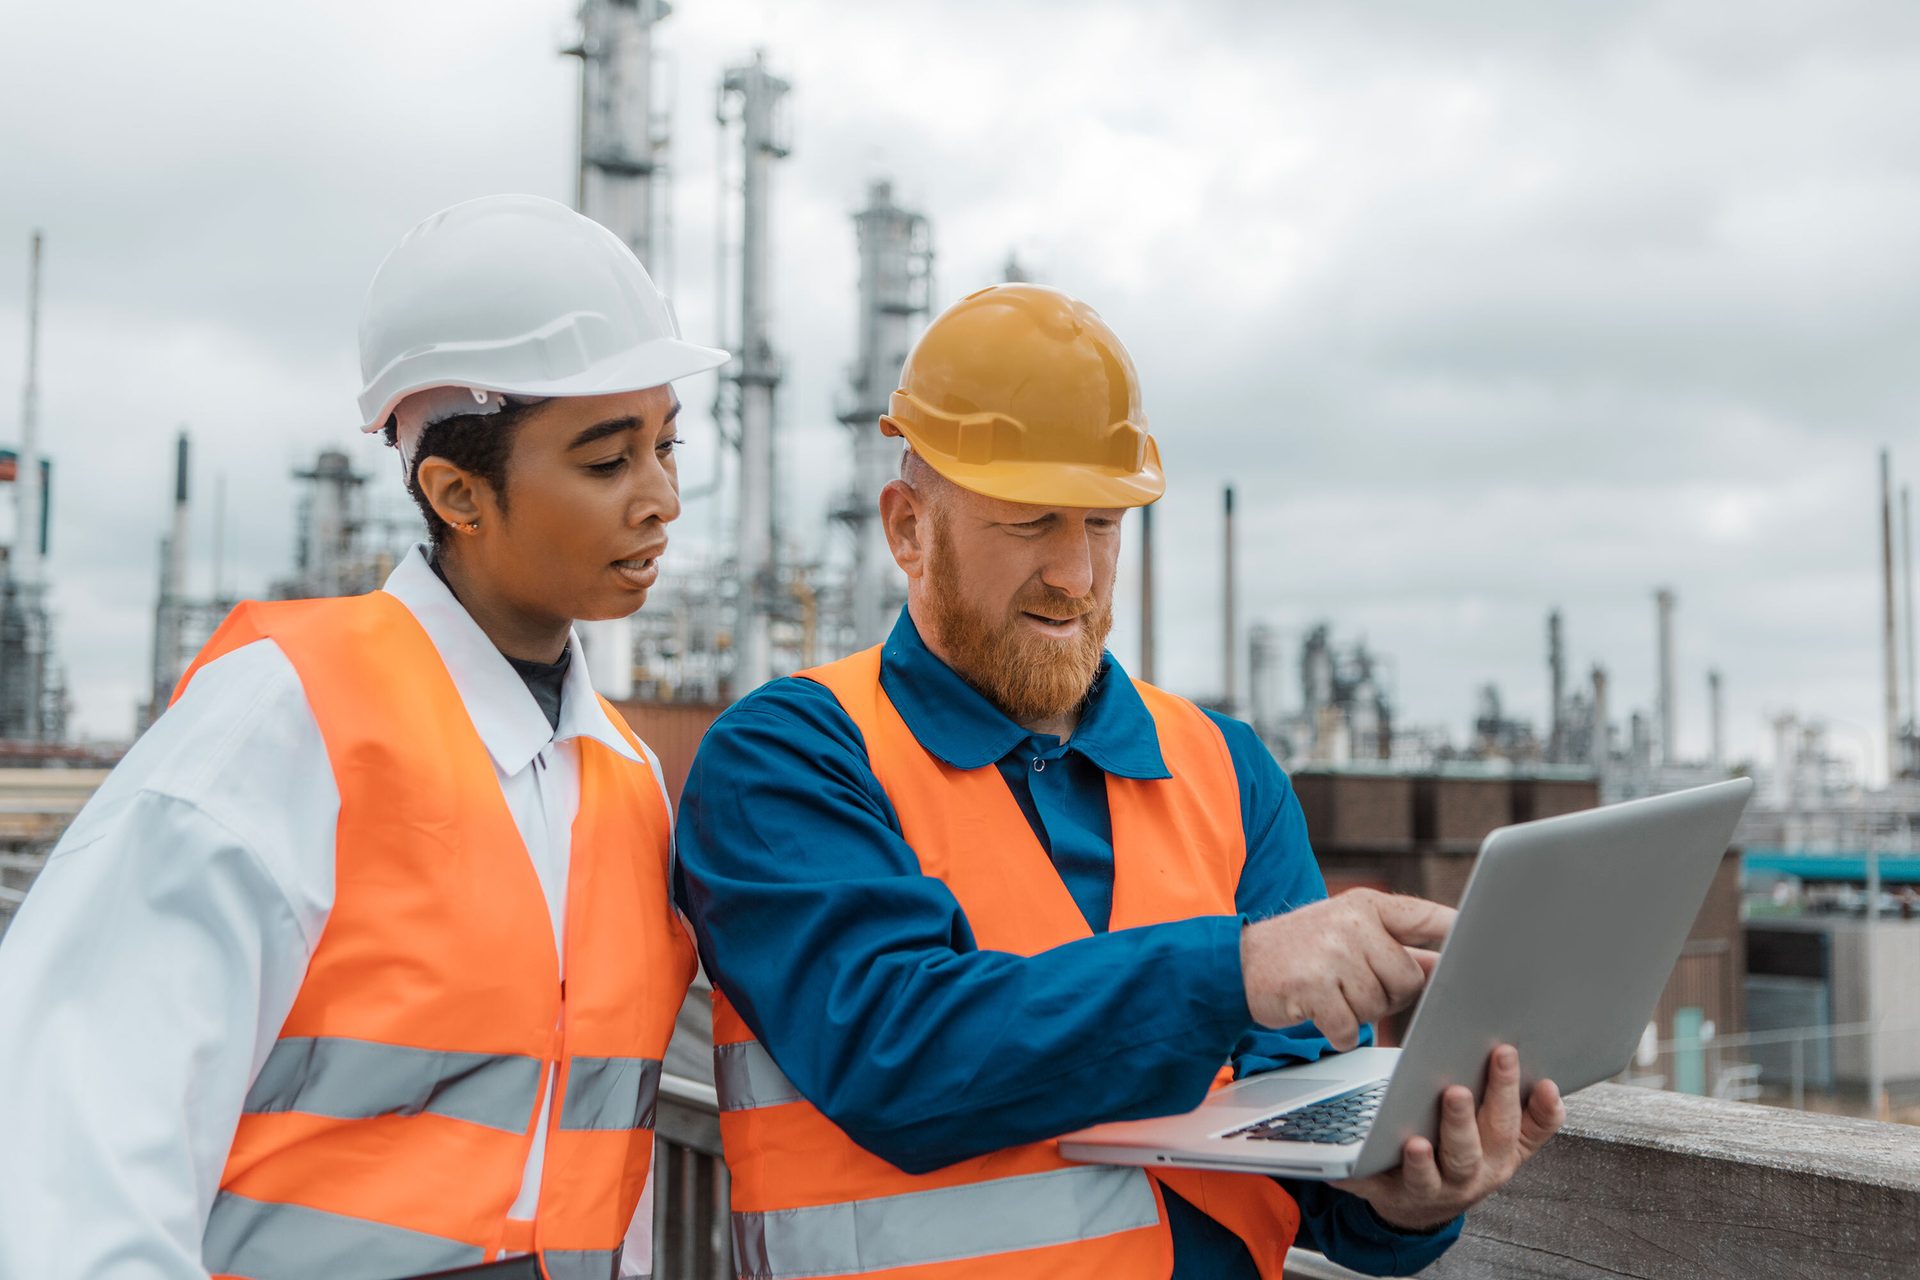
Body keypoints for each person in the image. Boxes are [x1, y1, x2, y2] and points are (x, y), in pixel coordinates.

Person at [674, 283, 1566, 1278]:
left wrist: (1401, 1195)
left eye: (1103, 521)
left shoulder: (1226, 770)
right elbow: (897, 1050)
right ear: (909, 527)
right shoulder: (789, 757)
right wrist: (1237, 971)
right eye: (1031, 521)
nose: (1076, 573)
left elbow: (1288, 1134)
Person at [0, 193, 727, 1280]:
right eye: (606, 459)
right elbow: (75, 1144)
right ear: (457, 490)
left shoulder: (623, 778)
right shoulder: (289, 718)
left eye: (667, 444)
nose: (661, 497)